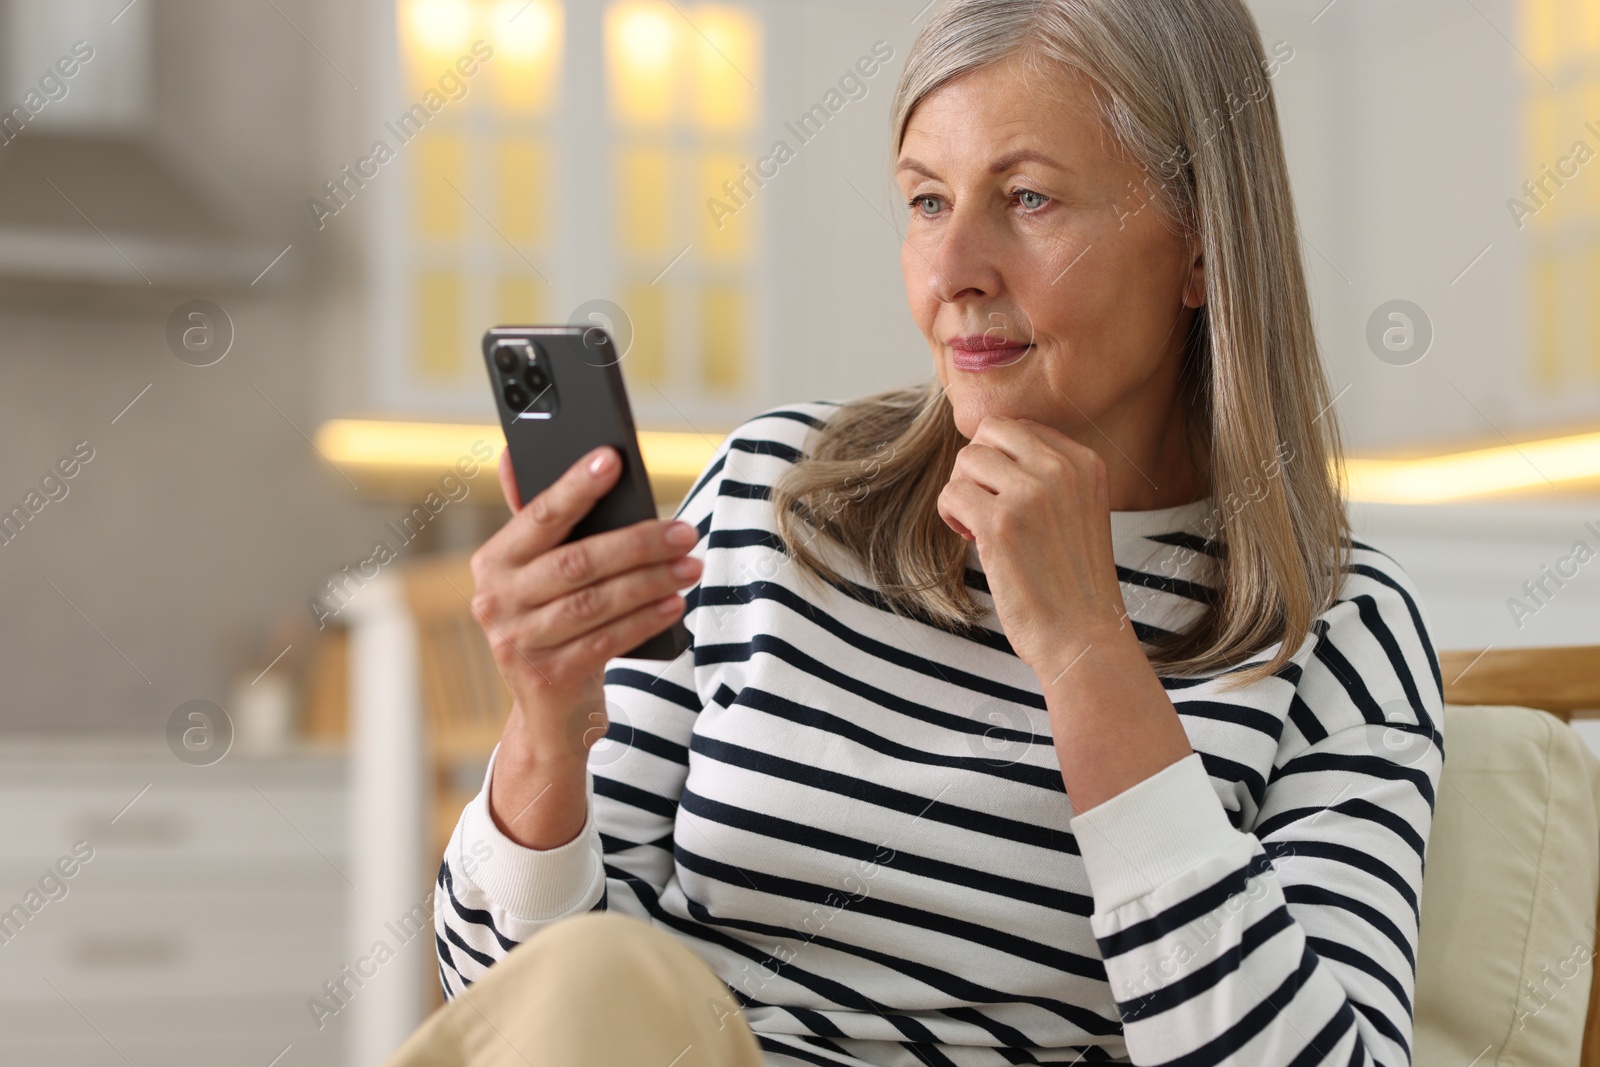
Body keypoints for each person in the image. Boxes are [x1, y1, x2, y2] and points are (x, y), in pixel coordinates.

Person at [388, 0, 1443, 1063]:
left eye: (1028, 198)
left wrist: (1086, 656)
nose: (954, 273)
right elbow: (516, 998)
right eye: (928, 201)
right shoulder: (777, 495)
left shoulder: (1336, 628)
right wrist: (543, 736)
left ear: (1203, 246)